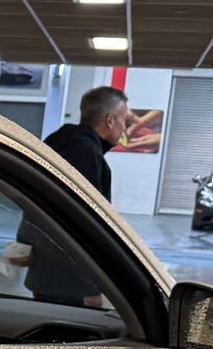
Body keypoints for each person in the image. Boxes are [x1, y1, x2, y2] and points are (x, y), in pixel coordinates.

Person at [7, 85, 129, 304]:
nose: (124, 128)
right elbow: (88, 218)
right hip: (73, 274)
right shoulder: (86, 154)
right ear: (110, 120)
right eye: (124, 120)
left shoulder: (56, 145)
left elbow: (32, 201)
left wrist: (23, 241)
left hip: (44, 271)